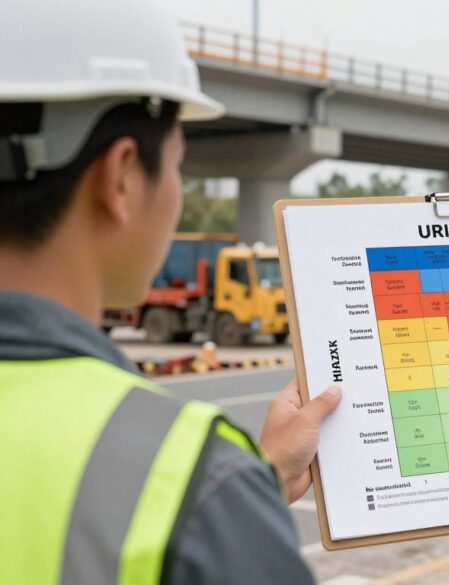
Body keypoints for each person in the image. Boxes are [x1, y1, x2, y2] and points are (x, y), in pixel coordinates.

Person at [0, 1, 338, 583]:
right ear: (123, 177)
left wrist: (257, 483)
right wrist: (228, 501)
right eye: (180, 164)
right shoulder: (181, 473)